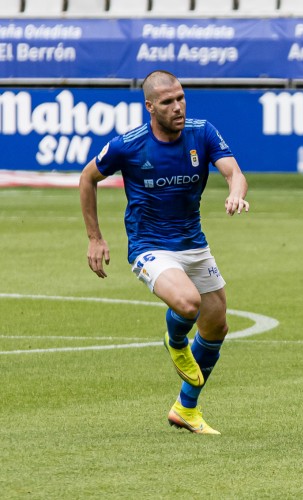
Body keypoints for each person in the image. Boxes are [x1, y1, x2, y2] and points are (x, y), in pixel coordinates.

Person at [80, 70, 249, 434]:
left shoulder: (202, 132)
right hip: (149, 247)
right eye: (168, 102)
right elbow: (87, 178)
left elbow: (233, 171)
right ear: (150, 106)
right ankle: (175, 341)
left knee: (217, 325)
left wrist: (236, 190)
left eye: (181, 98)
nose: (178, 107)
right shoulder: (129, 144)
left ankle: (186, 409)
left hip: (194, 243)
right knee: (188, 304)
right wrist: (95, 237)